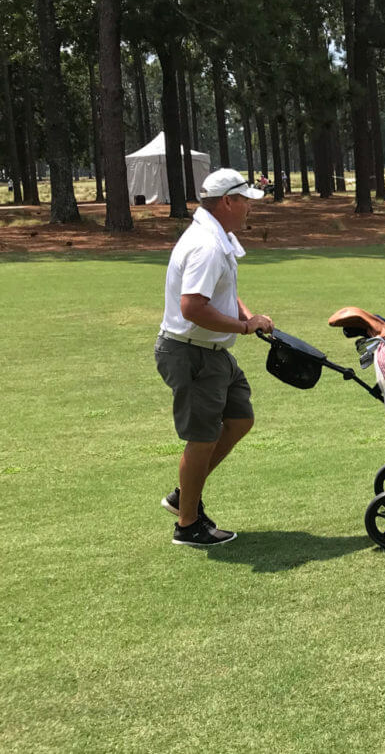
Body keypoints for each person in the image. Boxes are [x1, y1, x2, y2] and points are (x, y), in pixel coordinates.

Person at [155, 168, 275, 546]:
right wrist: (243, 327)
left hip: (213, 352)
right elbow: (192, 307)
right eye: (245, 201)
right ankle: (187, 525)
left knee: (240, 419)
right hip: (192, 353)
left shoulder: (218, 237)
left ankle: (184, 496)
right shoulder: (206, 246)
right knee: (202, 438)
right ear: (227, 201)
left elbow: (222, 292)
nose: (249, 208)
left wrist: (248, 317)